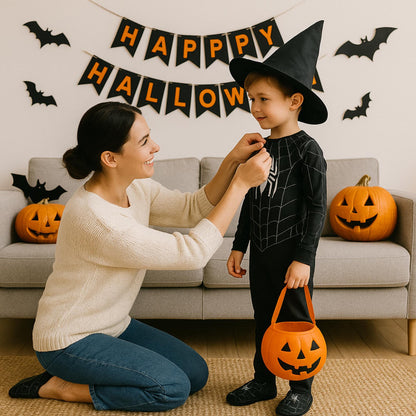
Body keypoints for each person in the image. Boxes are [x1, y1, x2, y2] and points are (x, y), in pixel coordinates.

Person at [8, 101, 271, 412]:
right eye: (144, 142)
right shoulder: (97, 219)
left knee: (195, 374)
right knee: (171, 389)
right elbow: (193, 253)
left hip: (114, 326)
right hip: (69, 341)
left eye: (150, 137)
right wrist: (240, 185)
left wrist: (232, 161)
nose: (155, 147)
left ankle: (87, 373)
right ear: (110, 158)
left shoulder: (136, 188)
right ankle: (60, 385)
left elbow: (192, 208)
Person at [225, 21, 328, 416]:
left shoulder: (308, 150)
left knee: (296, 321)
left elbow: (317, 207)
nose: (254, 108)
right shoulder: (257, 149)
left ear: (294, 101)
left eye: (263, 99)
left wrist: (304, 258)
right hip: (263, 252)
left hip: (293, 255)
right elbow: (250, 200)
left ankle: (301, 387)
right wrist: (238, 245)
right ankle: (265, 380)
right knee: (263, 319)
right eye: (251, 99)